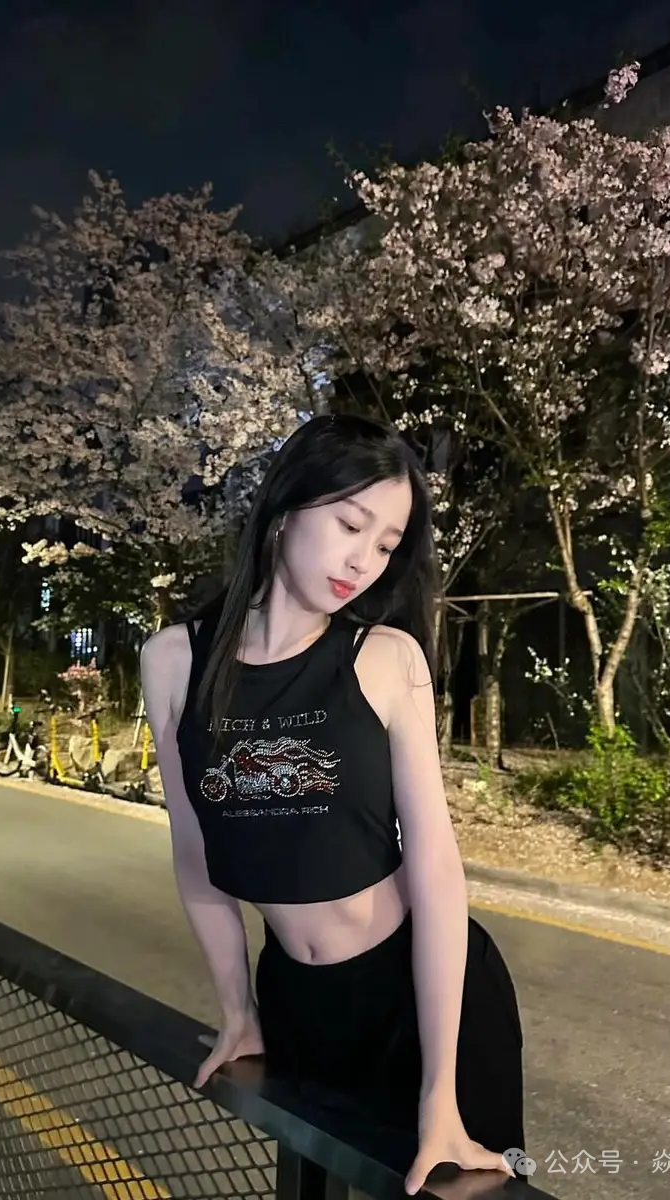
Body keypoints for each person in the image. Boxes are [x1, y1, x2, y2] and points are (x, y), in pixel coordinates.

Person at [140, 414, 525, 1192]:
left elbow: (436, 870)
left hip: (415, 997)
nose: (363, 561)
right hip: (292, 998)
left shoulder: (385, 658)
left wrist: (439, 1091)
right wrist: (238, 1009)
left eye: (385, 545)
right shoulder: (173, 659)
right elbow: (193, 855)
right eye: (351, 525)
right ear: (285, 509)